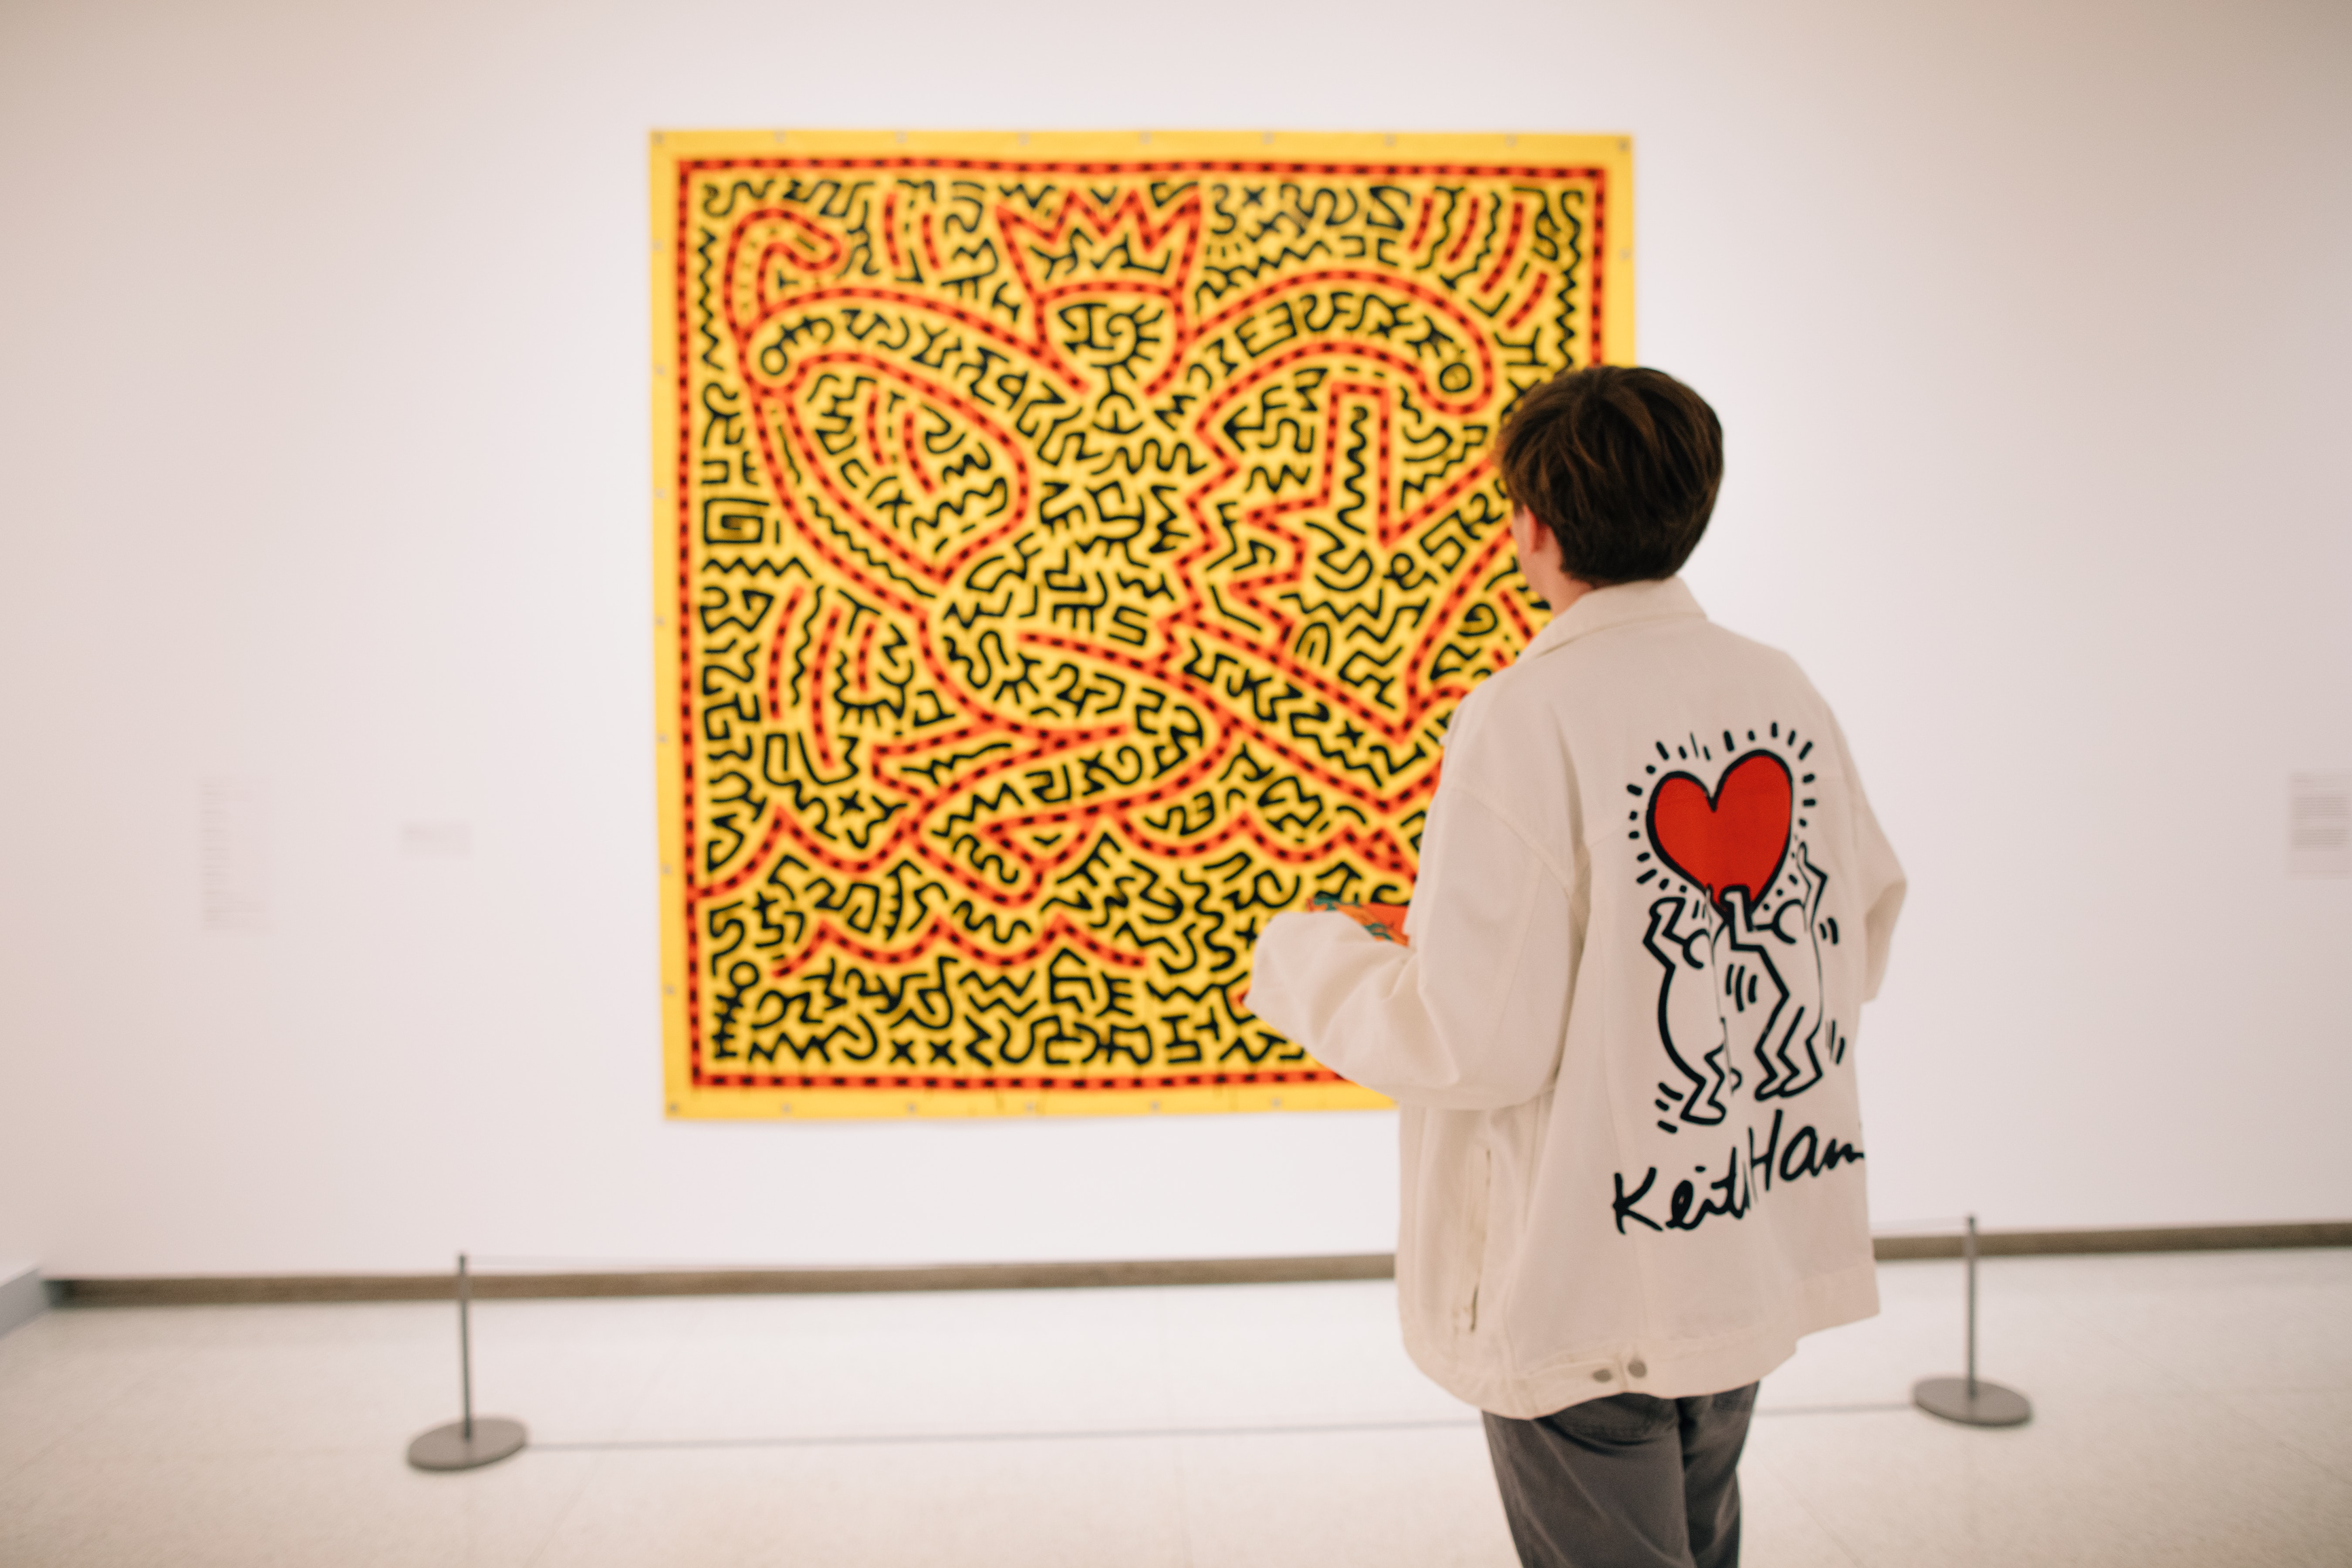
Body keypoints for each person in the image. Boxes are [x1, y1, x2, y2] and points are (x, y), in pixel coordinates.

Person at [1242, 365, 1906, 1568]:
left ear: (1532, 525)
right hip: (1737, 1237)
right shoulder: (1779, 689)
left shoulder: (1525, 712)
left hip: (1588, 1280)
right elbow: (1850, 924)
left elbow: (1469, 1040)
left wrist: (1307, 956)